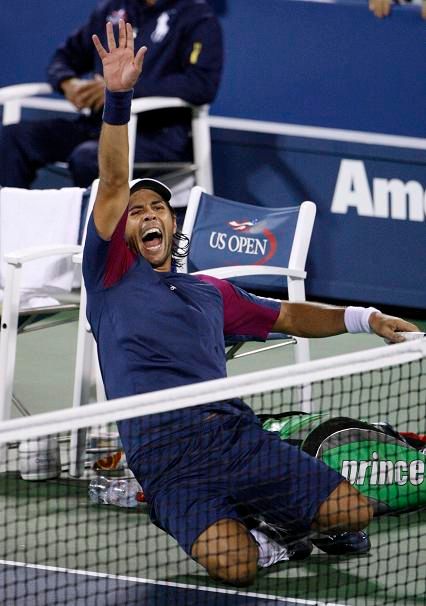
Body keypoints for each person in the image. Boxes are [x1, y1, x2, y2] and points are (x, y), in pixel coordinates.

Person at [83, 20, 420, 586]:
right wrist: (119, 96)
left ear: (173, 222)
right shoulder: (110, 277)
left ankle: (277, 525)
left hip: (235, 439)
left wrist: (367, 318)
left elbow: (289, 315)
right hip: (167, 464)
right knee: (235, 568)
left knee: (355, 512)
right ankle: (271, 541)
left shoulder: (209, 292)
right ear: (121, 229)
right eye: (136, 211)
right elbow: (114, 180)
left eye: (159, 209)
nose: (147, 214)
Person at [0, 0, 222, 188]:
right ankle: (13, 226)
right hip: (96, 125)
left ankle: (95, 238)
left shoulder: (197, 16)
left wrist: (121, 90)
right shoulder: (113, 9)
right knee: (15, 138)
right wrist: (68, 83)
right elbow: (65, 57)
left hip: (156, 136)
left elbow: (201, 84)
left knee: (90, 157)